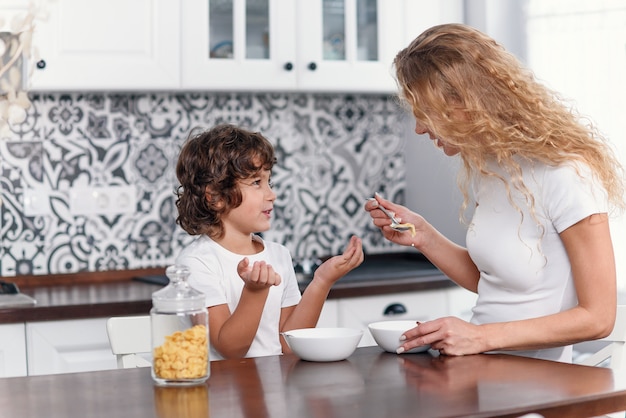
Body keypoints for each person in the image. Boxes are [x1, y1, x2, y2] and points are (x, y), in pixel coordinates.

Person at [365, 23, 625, 362]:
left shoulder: (566, 174)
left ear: (466, 100)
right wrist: (423, 235)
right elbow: (494, 282)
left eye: (426, 112)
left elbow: (598, 317)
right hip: (481, 371)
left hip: (534, 387)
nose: (419, 127)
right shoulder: (494, 170)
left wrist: (478, 336)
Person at [175, 123, 364, 360]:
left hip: (275, 388)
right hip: (222, 392)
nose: (271, 194)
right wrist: (255, 291)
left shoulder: (278, 254)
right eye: (256, 182)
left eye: (269, 181)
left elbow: (288, 344)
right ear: (215, 197)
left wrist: (322, 281)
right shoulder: (197, 263)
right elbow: (230, 349)